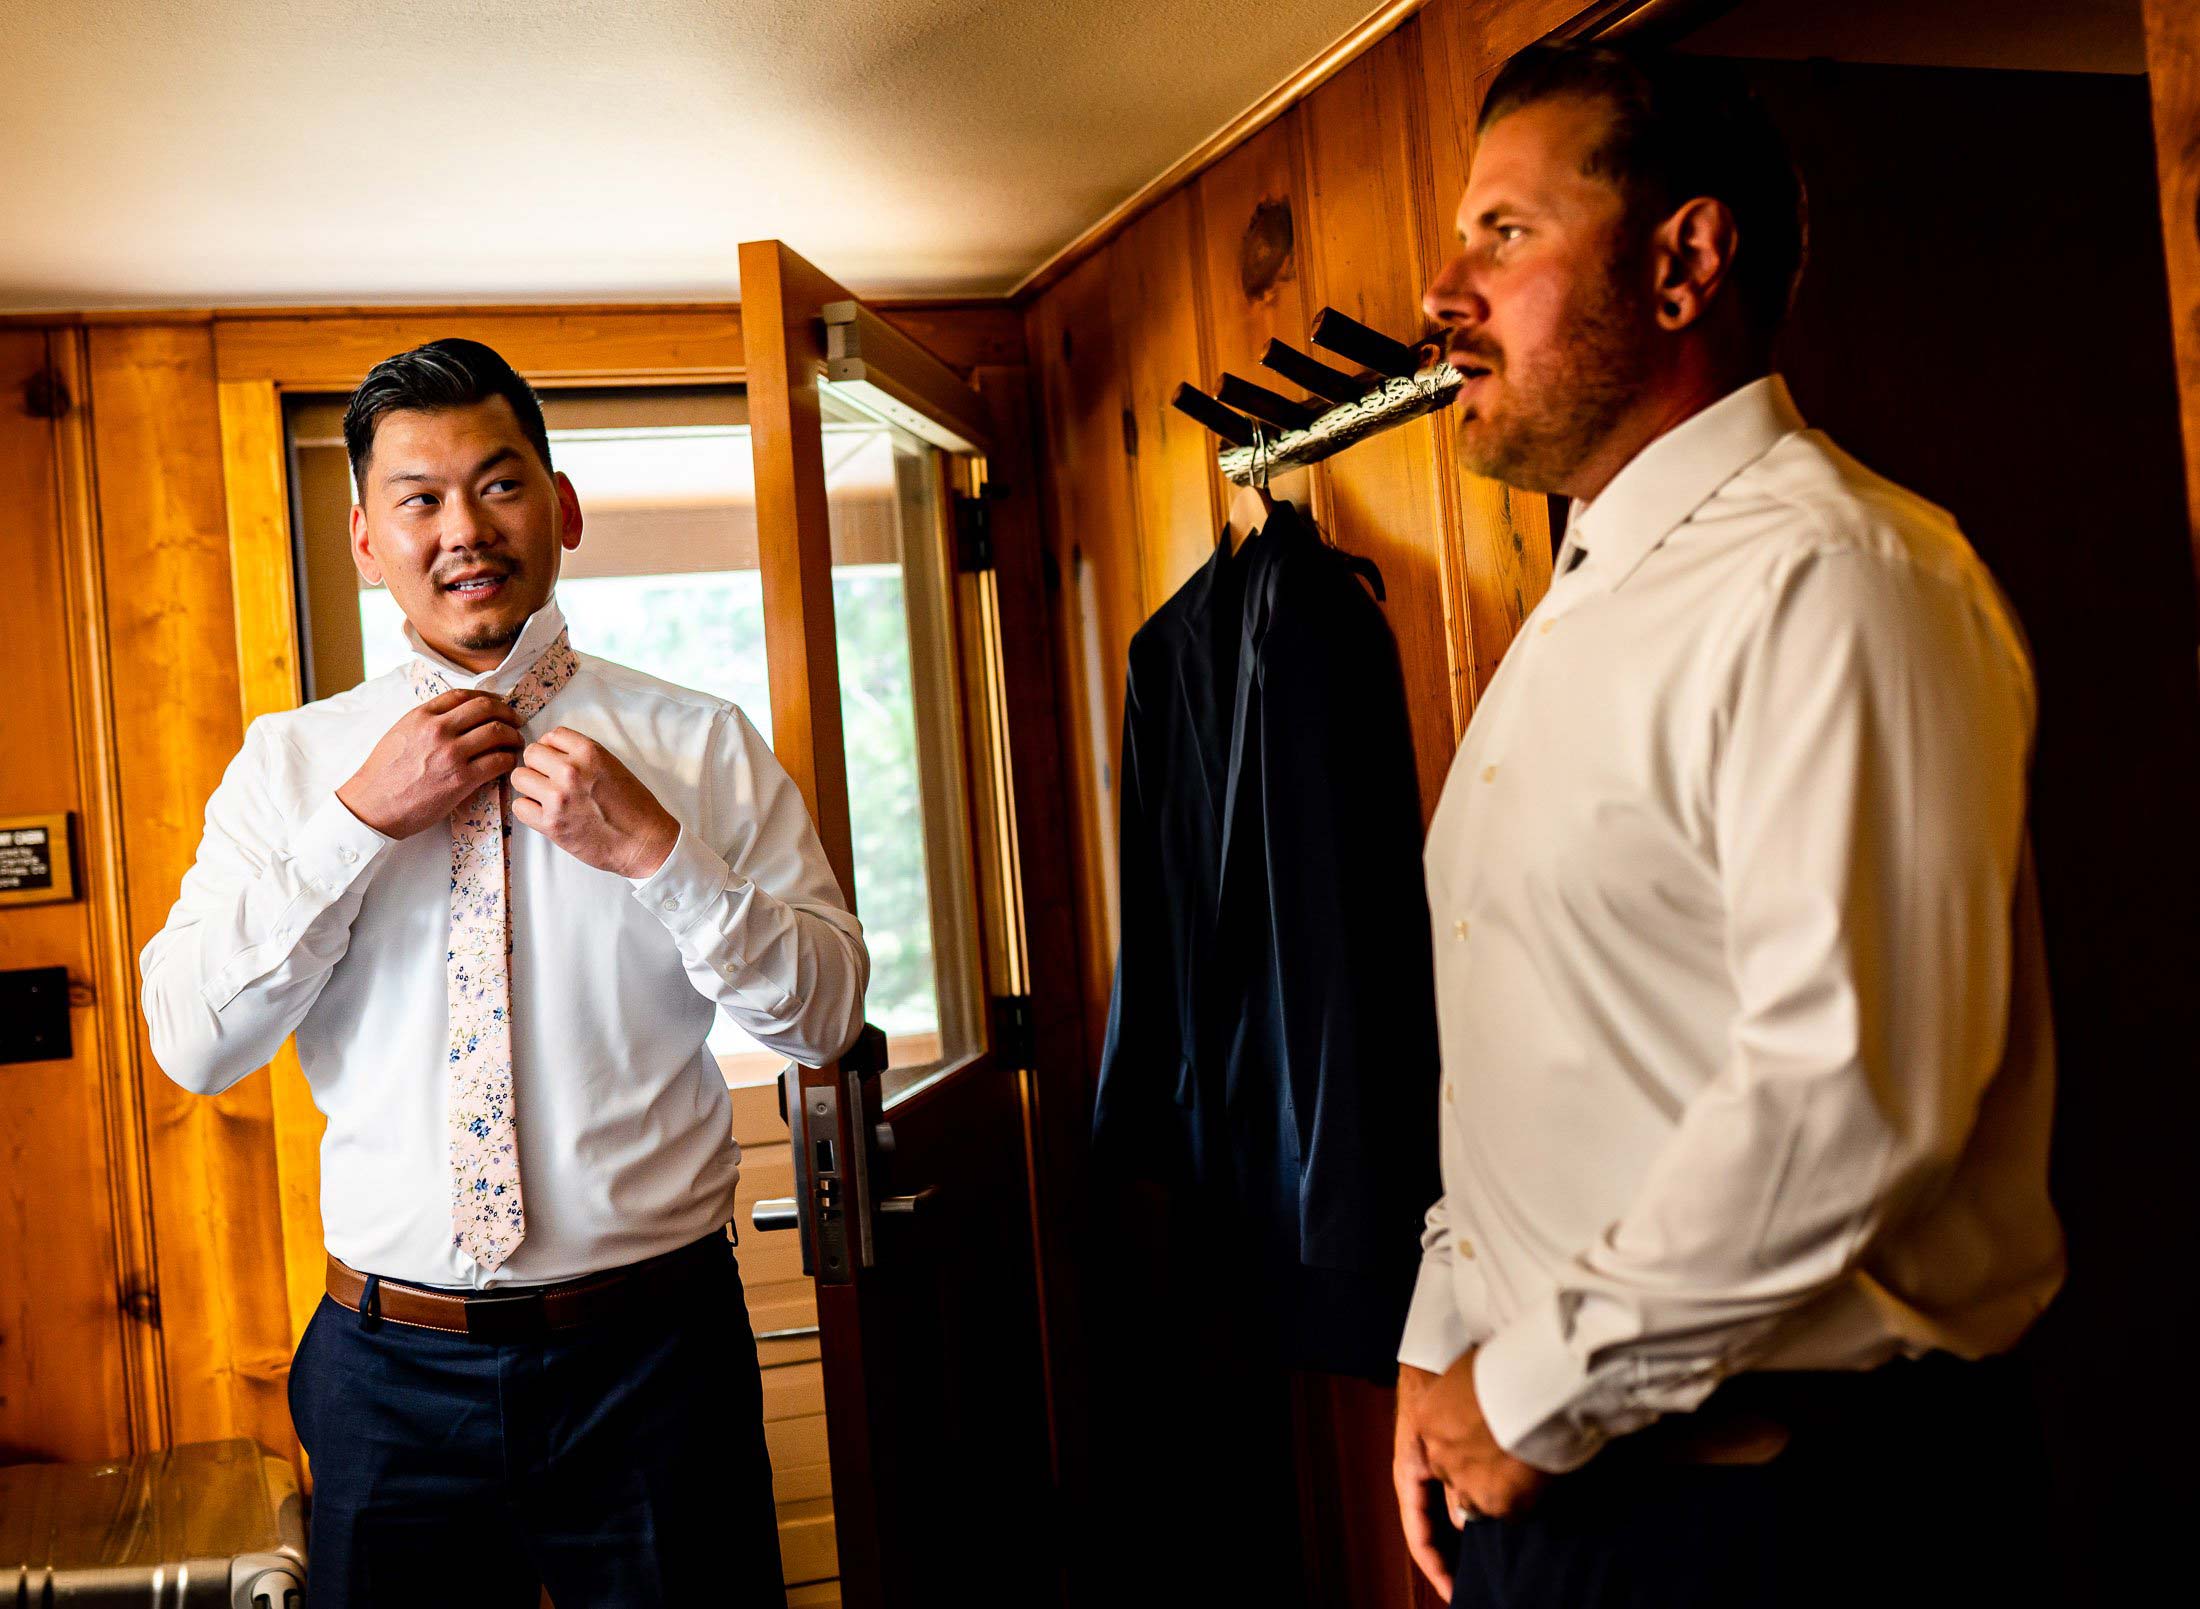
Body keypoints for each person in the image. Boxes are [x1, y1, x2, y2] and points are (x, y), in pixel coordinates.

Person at [1392, 43, 2063, 1608]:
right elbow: (1537, 1047)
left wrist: (1525, 1390)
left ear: (1684, 261)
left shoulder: (1838, 577)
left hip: (1788, 1521)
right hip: (1545, 1479)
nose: (1443, 289)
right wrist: (1444, 1359)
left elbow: (1849, 1093)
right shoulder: (1569, 615)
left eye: (1504, 233)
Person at [139, 337, 867, 1607]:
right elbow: (194, 1045)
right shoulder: (291, 769)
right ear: (367, 540)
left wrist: (657, 851)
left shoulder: (700, 746)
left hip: (655, 1365)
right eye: (417, 499)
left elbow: (823, 1015)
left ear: (562, 505)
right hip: (385, 1380)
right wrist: (357, 824)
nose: (462, 528)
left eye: (498, 482)